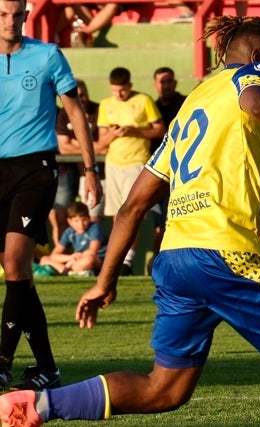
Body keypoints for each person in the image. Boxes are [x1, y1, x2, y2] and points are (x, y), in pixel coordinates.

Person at [0, 15, 260, 427]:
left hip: (175, 261)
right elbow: (259, 102)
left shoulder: (194, 104)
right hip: (224, 253)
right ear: (258, 57)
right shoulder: (251, 77)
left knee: (164, 389)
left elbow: (134, 204)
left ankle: (39, 404)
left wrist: (105, 279)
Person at [0, 0, 102, 392]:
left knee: (13, 264)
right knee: (20, 276)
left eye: (16, 14)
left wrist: (91, 170)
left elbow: (76, 113)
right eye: (4, 14)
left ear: (26, 15)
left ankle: (3, 362)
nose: (10, 21)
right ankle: (47, 366)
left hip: (35, 168)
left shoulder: (47, 56)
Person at [97, 67, 166, 276]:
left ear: (130, 86)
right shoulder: (105, 105)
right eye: (115, 90)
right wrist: (114, 134)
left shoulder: (144, 101)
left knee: (130, 213)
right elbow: (101, 142)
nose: (118, 95)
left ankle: (127, 261)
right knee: (116, 216)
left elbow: (160, 130)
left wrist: (134, 130)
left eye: (122, 91)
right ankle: (119, 260)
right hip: (113, 165)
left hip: (137, 164)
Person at [52, 79, 103, 245]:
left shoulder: (99, 109)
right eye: (77, 96)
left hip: (95, 172)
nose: (81, 99)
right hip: (70, 171)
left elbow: (105, 143)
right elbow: (64, 147)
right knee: (59, 216)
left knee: (93, 217)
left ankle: (93, 259)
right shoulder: (63, 113)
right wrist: (88, 146)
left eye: (83, 95)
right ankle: (62, 260)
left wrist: (76, 144)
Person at [148, 67, 187, 273]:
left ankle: (176, 266)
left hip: (181, 171)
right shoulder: (151, 108)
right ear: (155, 85)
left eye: (169, 81)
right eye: (162, 82)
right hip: (157, 172)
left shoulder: (185, 103)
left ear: (175, 83)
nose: (166, 85)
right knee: (159, 224)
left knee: (175, 221)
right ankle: (157, 264)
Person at [38, 202, 107, 277]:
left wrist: (71, 262)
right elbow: (54, 255)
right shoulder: (69, 232)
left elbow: (92, 251)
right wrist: (70, 258)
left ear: (89, 218)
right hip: (75, 260)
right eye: (76, 220)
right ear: (69, 221)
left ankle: (65, 271)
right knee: (44, 259)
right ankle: (68, 271)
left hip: (97, 260)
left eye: (84, 220)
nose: (81, 224)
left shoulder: (95, 227)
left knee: (89, 260)